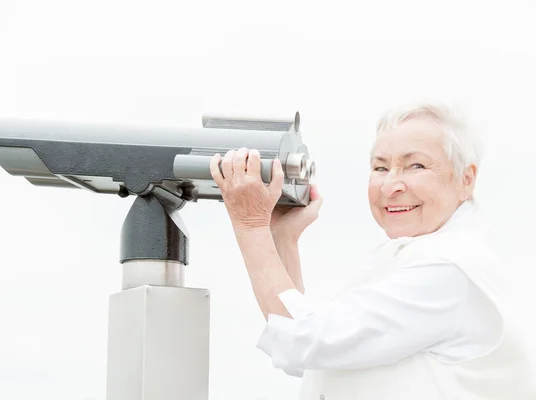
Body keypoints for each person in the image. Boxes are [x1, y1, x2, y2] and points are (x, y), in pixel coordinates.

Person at [209, 102, 536, 400]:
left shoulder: (448, 269)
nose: (391, 185)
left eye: (416, 166)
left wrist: (250, 225)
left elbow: (304, 340)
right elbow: (319, 354)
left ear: (466, 179)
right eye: (380, 168)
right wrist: (282, 238)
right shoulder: (413, 255)